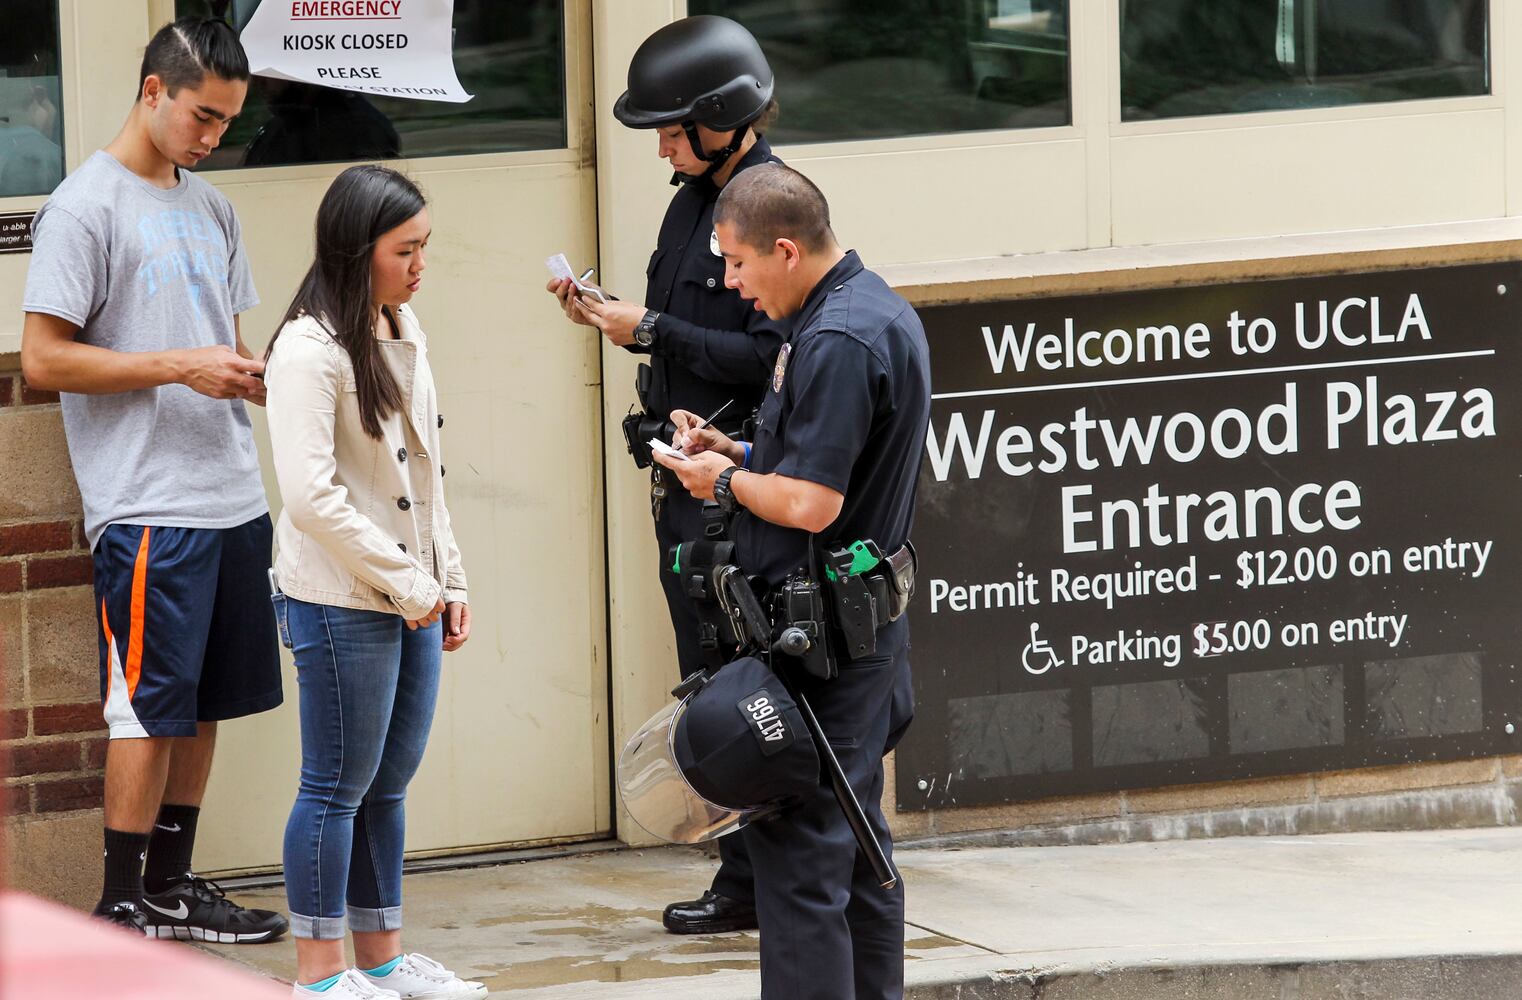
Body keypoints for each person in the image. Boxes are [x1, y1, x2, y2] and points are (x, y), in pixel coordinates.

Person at [19, 16, 287, 942]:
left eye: (227, 121)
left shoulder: (212, 208)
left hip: (231, 496)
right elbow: (44, 362)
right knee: (143, 708)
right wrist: (179, 367)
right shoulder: (84, 206)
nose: (213, 136)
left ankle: (172, 887)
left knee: (207, 703)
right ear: (151, 91)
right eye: (202, 115)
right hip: (146, 507)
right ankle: (120, 905)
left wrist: (269, 384)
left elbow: (225, 343)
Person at [652, 163, 931, 999]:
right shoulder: (864, 308)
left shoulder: (837, 340)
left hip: (825, 656)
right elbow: (812, 457)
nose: (731, 285)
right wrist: (735, 450)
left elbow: (811, 502)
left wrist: (720, 486)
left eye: (737, 264)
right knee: (856, 853)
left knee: (803, 867)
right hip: (853, 638)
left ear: (783, 248)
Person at [545, 13, 786, 936]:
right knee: (704, 676)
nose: (662, 149)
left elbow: (767, 351)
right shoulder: (695, 197)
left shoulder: (769, 203)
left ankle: (759, 885)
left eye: (676, 129)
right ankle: (742, 877)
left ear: (726, 115)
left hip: (730, 483)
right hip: (680, 476)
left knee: (740, 681)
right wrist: (615, 316)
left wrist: (648, 329)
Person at [263, 164, 481, 1000]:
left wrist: (448, 579)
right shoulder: (307, 348)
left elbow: (425, 473)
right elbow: (312, 498)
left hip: (408, 594)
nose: (421, 263)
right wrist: (410, 585)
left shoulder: (403, 325)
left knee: (386, 785)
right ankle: (320, 978)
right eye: (407, 249)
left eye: (425, 246)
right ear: (360, 251)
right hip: (339, 597)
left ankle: (383, 961)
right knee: (333, 787)